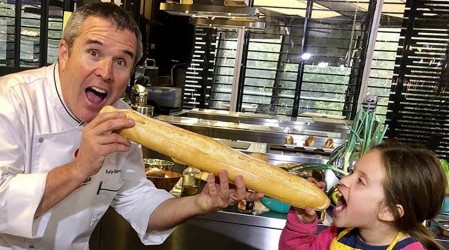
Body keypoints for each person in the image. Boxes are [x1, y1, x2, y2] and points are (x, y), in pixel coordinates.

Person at [0, 2, 263, 249]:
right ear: (64, 53)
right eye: (94, 52)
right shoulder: (12, 99)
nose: (105, 72)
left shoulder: (121, 117)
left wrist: (201, 202)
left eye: (121, 62)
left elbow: (140, 202)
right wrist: (80, 168)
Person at [279, 142, 446, 250]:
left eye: (360, 180)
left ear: (389, 211)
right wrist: (300, 224)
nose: (344, 179)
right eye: (352, 171)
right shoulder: (335, 236)